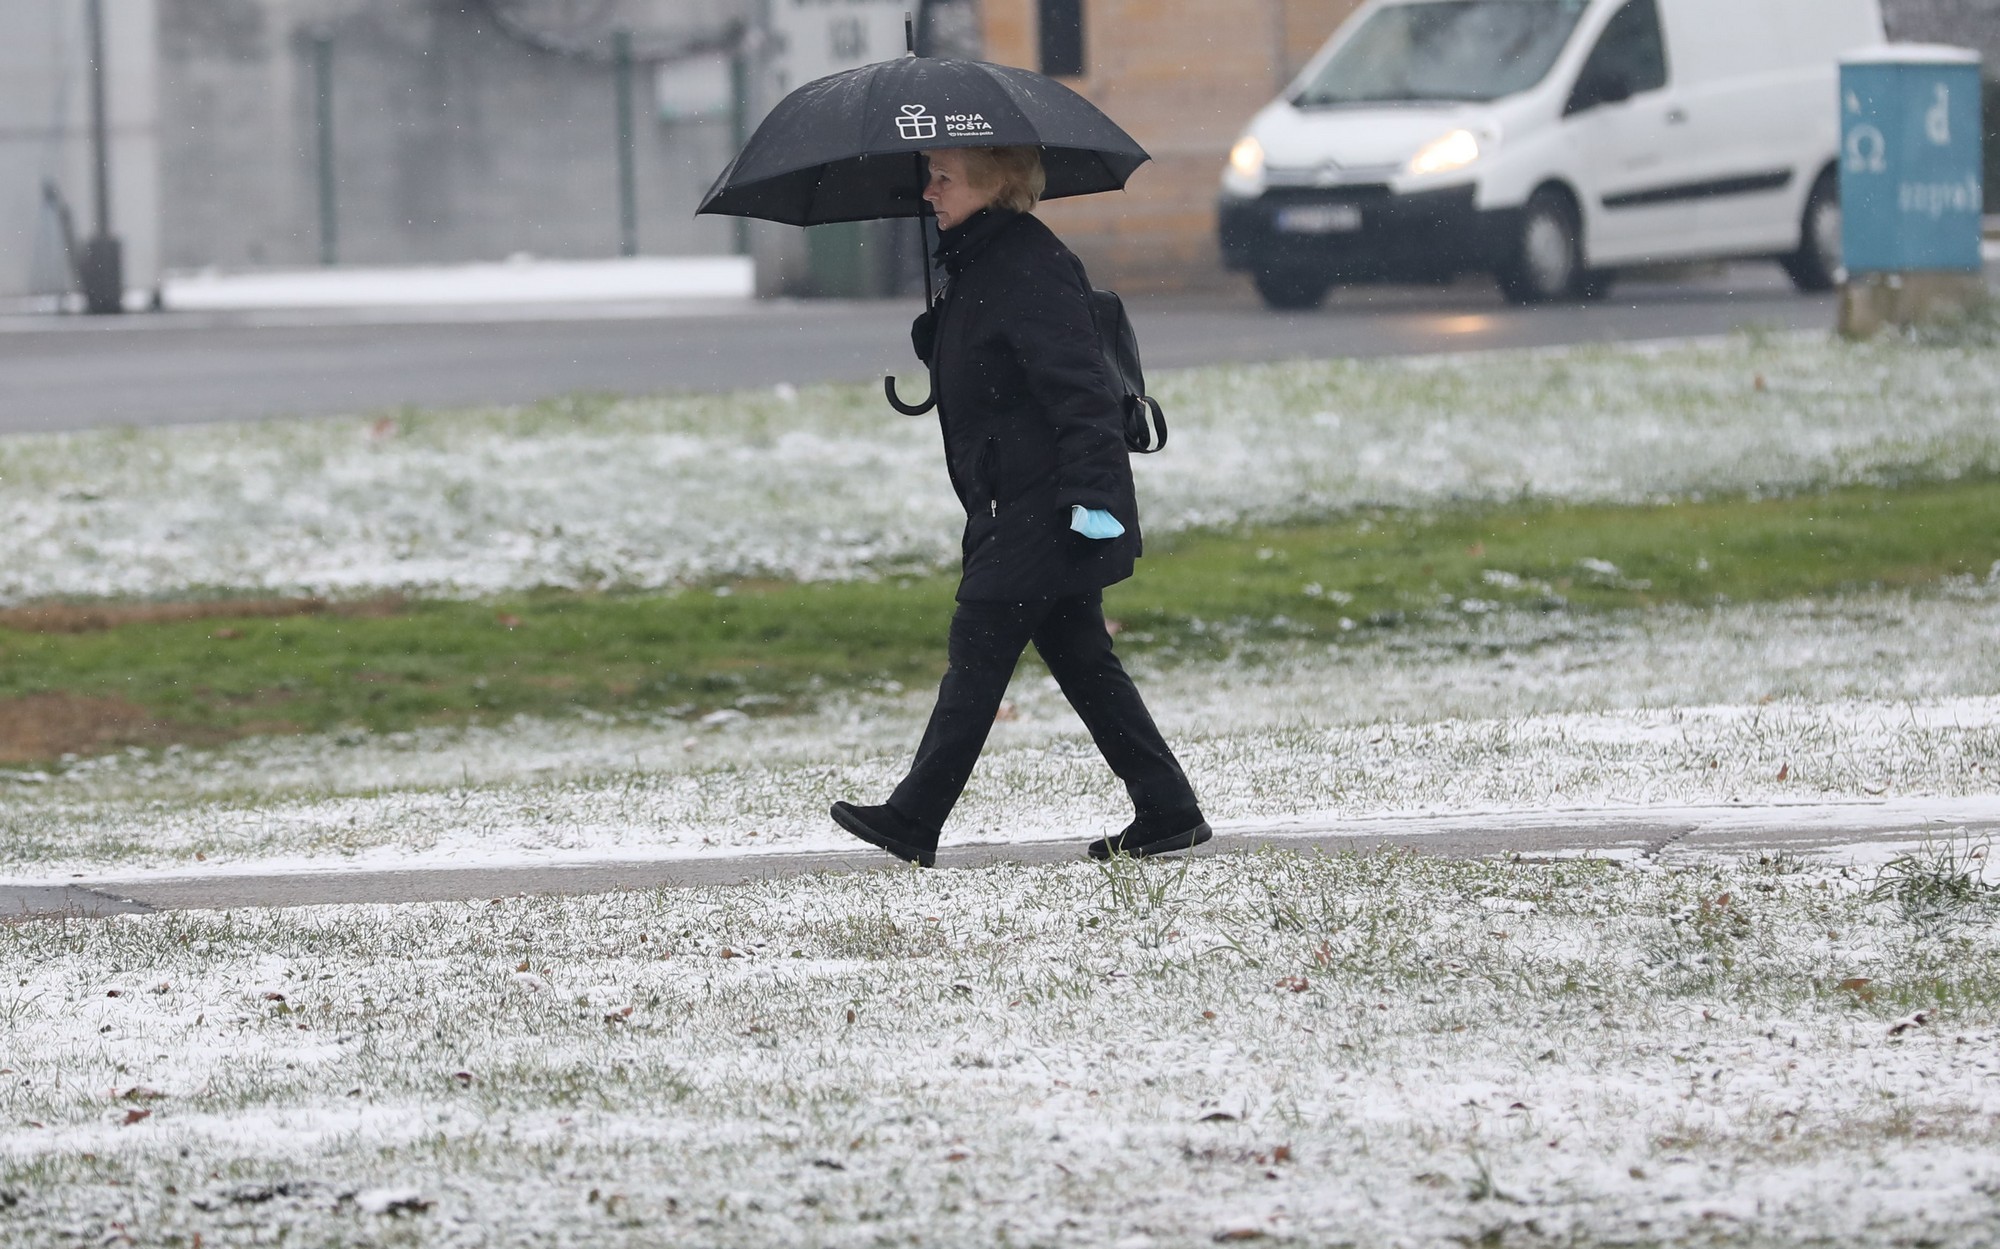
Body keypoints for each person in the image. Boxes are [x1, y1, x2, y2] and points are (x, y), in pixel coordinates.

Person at [831, 144, 1209, 868]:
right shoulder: (982, 263)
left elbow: (1082, 392)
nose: (929, 191)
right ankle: (1168, 807)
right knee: (1081, 656)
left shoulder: (1028, 266)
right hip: (1019, 495)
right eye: (930, 175)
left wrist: (1093, 504)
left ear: (993, 185)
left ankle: (914, 816)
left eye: (944, 177)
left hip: (1045, 502)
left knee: (978, 644)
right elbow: (999, 373)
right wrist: (941, 336)